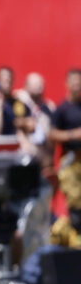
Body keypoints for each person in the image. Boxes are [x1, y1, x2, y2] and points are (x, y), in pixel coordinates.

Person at [50, 69, 81, 233]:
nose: (77, 84)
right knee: (74, 200)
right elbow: (52, 134)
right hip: (71, 160)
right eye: (74, 81)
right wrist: (73, 135)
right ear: (67, 84)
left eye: (79, 81)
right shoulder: (62, 109)